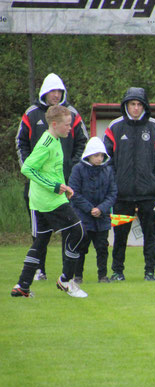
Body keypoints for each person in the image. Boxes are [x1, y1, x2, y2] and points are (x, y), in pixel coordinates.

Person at [16, 73, 88, 281]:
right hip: (40, 187)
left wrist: (71, 166)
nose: (56, 95)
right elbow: (21, 144)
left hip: (64, 184)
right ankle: (39, 271)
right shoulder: (31, 114)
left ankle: (67, 273)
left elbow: (82, 142)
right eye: (52, 91)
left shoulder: (71, 114)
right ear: (44, 93)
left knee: (71, 230)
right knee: (41, 234)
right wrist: (32, 173)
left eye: (59, 91)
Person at [104, 87, 155, 282]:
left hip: (148, 194)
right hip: (121, 195)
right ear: (126, 105)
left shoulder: (154, 126)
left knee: (150, 235)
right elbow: (105, 157)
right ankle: (117, 272)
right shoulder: (115, 127)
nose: (135, 108)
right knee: (120, 236)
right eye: (132, 104)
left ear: (145, 106)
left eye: (139, 104)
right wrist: (113, 183)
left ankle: (150, 272)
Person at [68, 137, 118, 284]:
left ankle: (102, 276)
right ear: (88, 155)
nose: (99, 158)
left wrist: (101, 209)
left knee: (102, 247)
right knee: (81, 247)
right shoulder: (78, 169)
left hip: (102, 217)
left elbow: (112, 193)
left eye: (101, 155)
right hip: (82, 216)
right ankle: (78, 276)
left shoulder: (108, 170)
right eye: (96, 155)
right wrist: (90, 209)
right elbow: (73, 192)